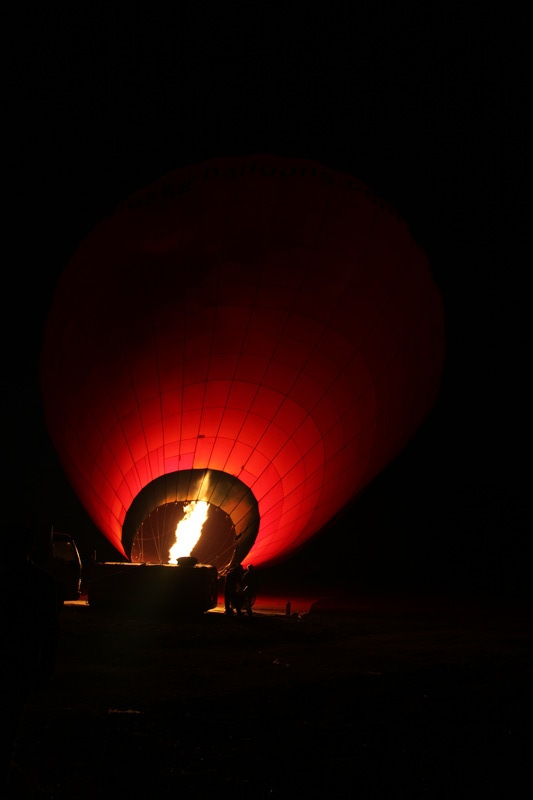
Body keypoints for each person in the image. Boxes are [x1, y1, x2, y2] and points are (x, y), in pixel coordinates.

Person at [0, 525, 61, 790]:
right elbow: (51, 630)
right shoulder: (43, 583)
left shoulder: (7, 583)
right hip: (23, 662)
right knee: (11, 719)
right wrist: (46, 665)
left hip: (13, 661)